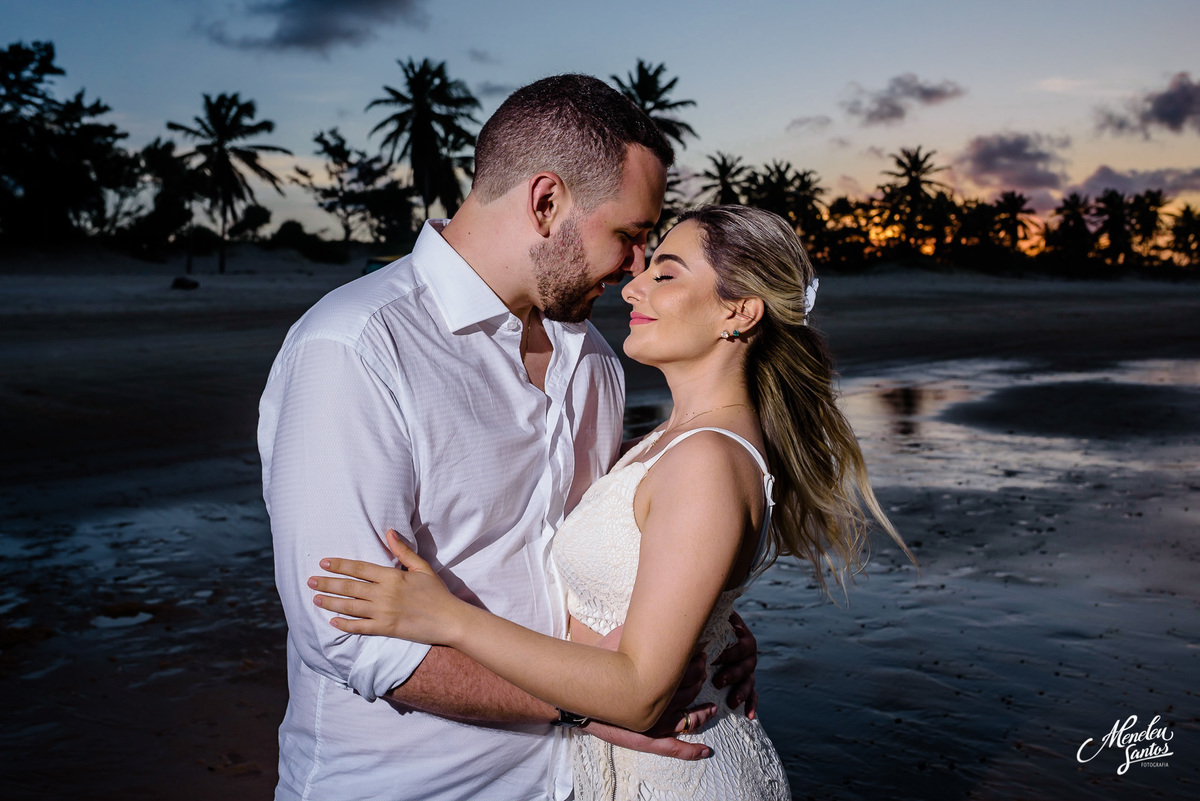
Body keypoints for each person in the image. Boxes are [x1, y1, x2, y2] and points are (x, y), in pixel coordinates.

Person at [259, 76, 759, 801]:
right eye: (628, 234)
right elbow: (349, 635)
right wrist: (589, 706)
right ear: (546, 201)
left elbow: (596, 552)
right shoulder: (357, 348)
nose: (635, 267)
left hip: (579, 785)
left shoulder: (592, 360)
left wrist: (702, 622)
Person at [311, 205, 913, 800]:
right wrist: (709, 627)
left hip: (681, 772)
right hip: (627, 765)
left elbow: (636, 694)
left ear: (739, 310)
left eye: (666, 274)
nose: (633, 286)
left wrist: (448, 619)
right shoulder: (671, 442)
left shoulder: (706, 458)